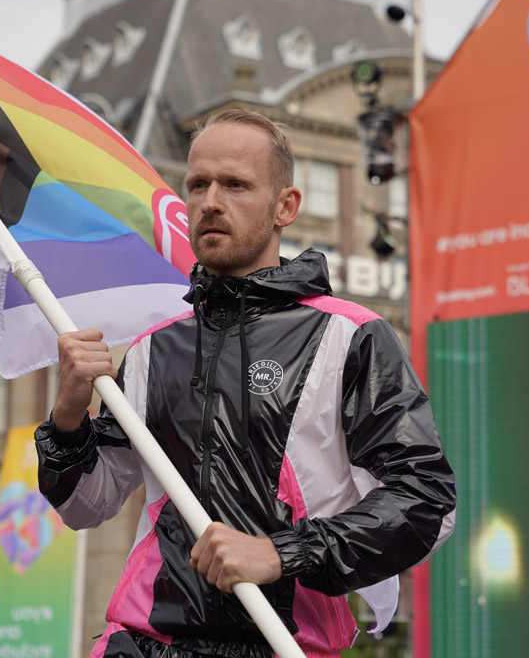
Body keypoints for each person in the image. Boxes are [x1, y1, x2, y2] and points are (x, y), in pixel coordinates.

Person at [35, 109, 456, 658]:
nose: (211, 201)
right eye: (198, 184)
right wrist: (68, 418)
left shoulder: (351, 335)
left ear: (286, 206)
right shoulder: (151, 349)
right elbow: (85, 507)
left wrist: (284, 553)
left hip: (285, 642)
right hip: (144, 644)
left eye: (235, 184)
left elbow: (428, 503)